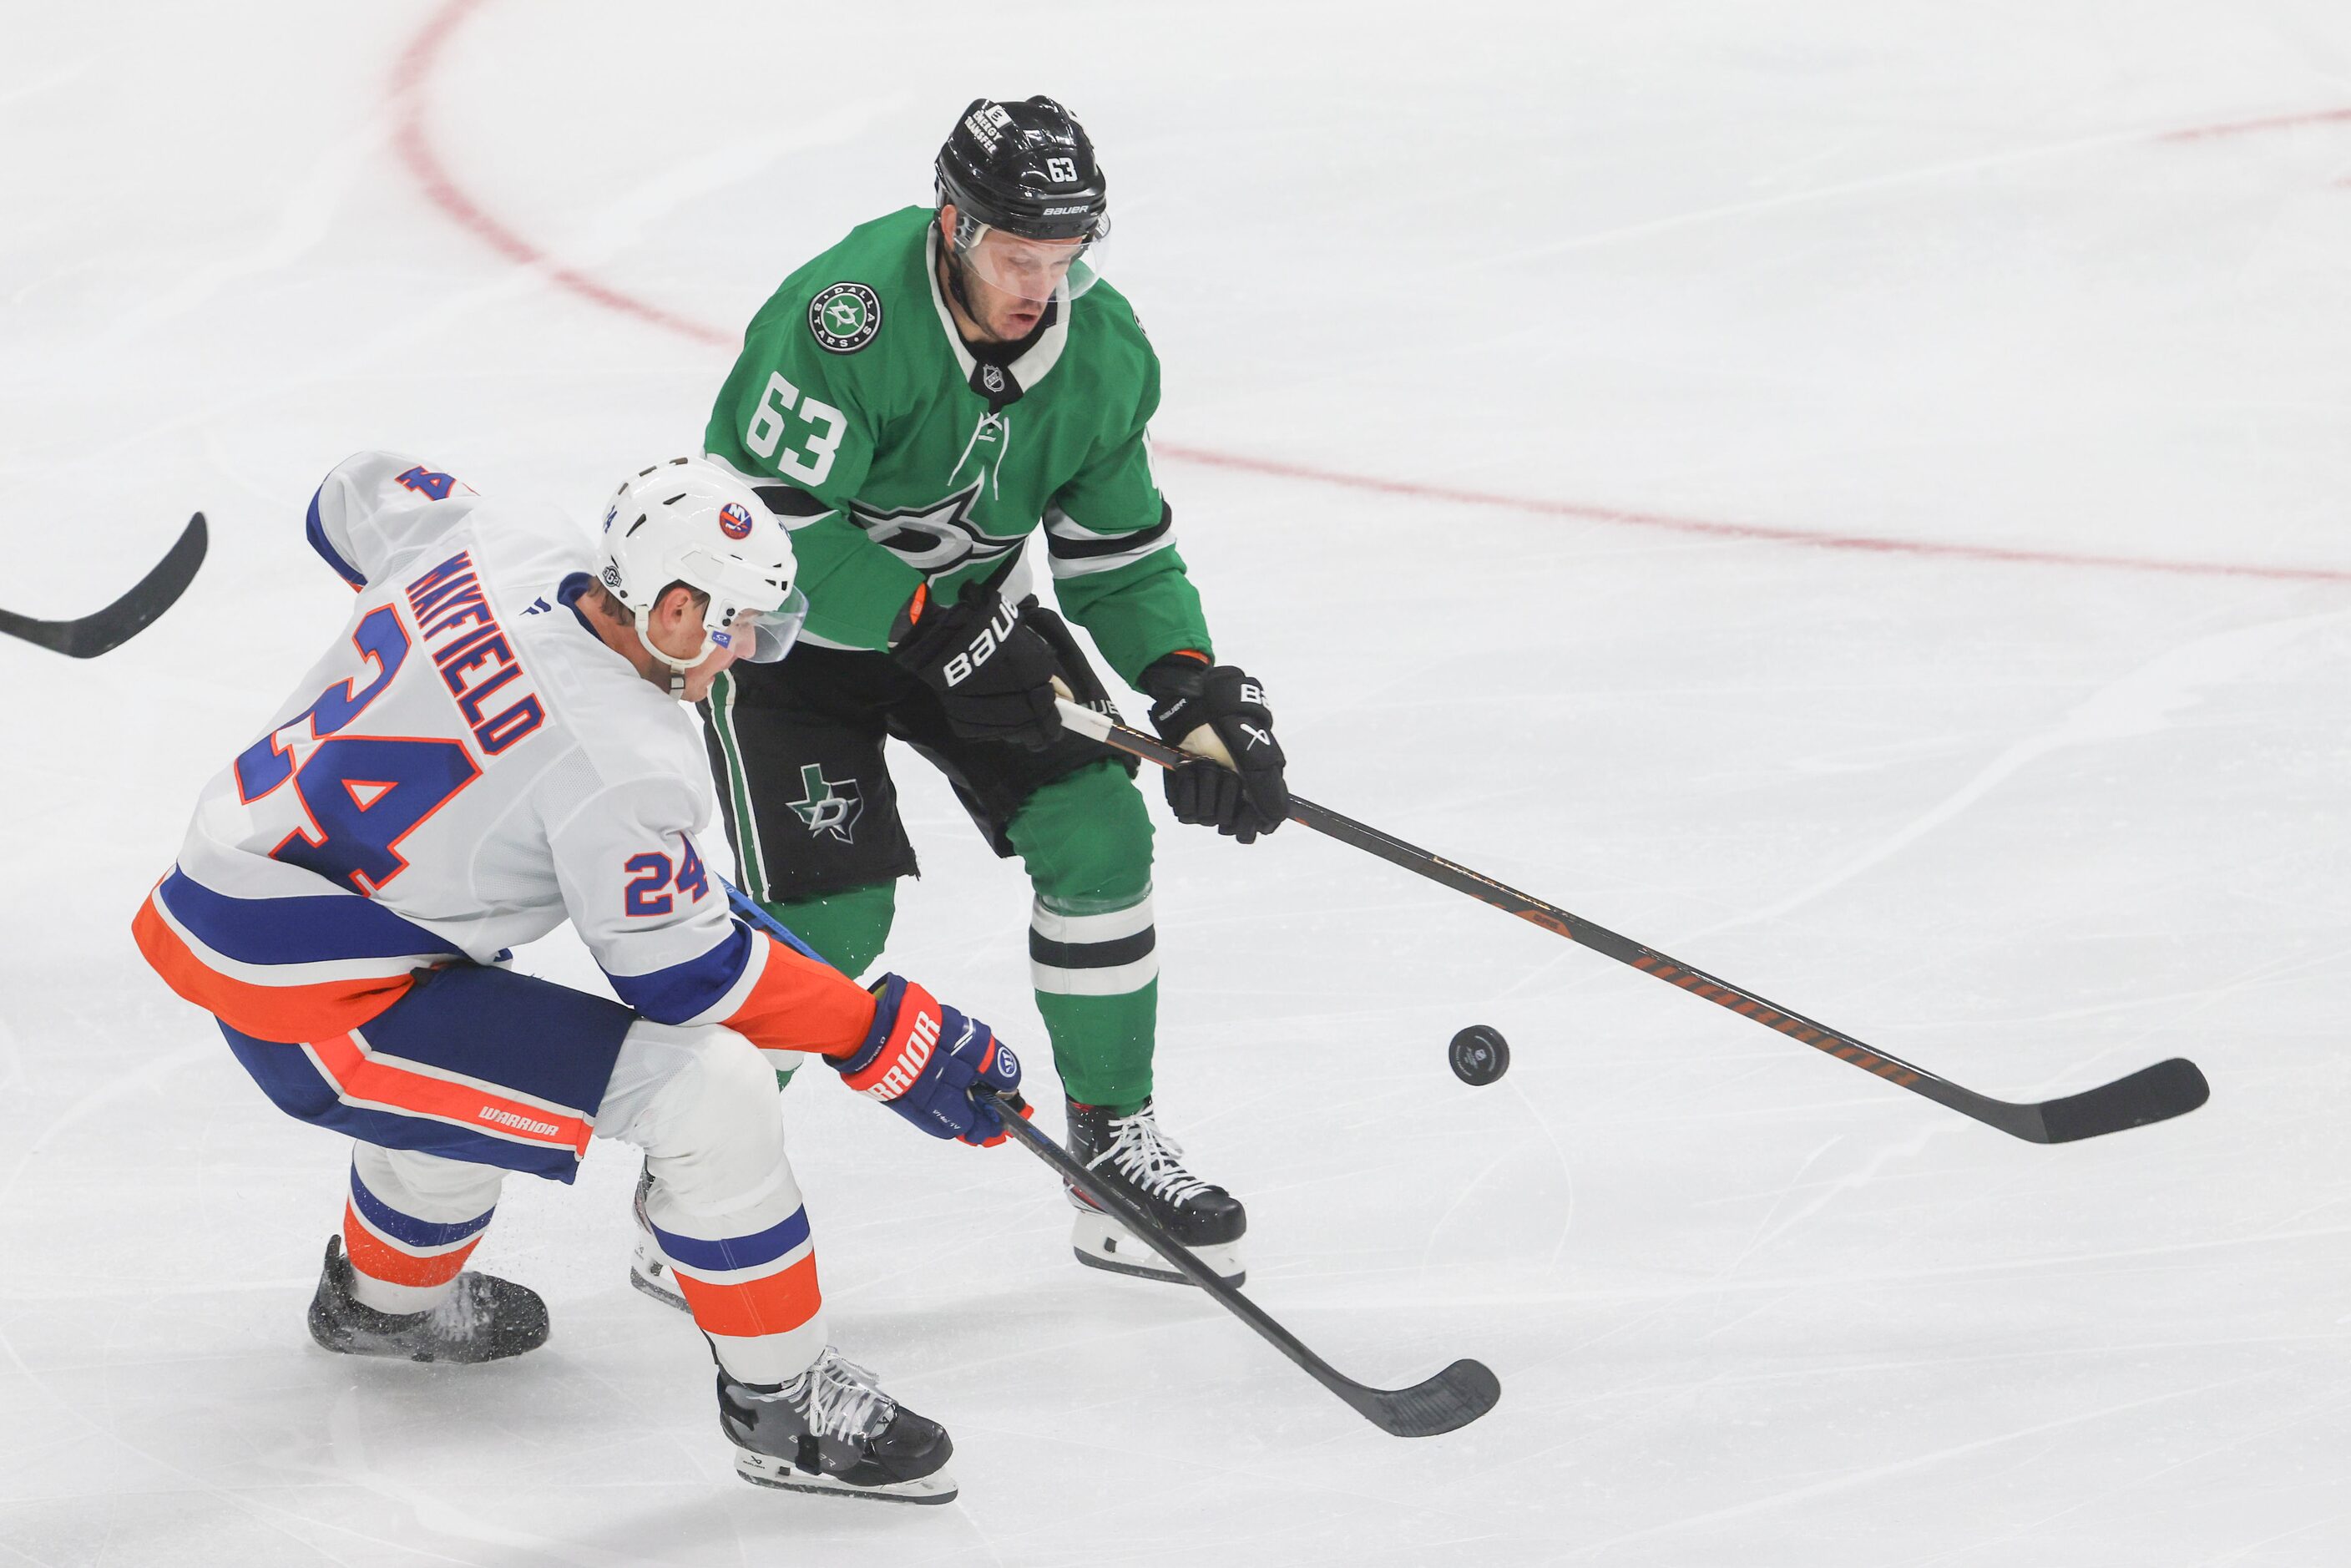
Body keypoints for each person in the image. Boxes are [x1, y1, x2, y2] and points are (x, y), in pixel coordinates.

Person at [129, 449, 1029, 1505]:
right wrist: (878, 1035)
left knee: (471, 1080)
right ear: (678, 609)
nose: (738, 654)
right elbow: (686, 976)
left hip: (240, 894)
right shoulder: (623, 751)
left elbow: (349, 495)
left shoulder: (499, 534)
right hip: (322, 997)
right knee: (713, 1094)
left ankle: (382, 1305)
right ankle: (782, 1408)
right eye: (732, 625)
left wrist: (443, 663)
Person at [667, 94, 1287, 1296]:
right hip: (792, 643)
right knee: (833, 924)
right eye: (1015, 257)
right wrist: (924, 622)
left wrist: (1189, 685)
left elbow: (1119, 557)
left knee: (1100, 830)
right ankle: (696, 1185)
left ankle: (1111, 1150)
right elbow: (762, 531)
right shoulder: (844, 320)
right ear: (952, 223)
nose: (1038, 288)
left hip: (968, 627)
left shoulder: (1103, 355)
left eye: (1062, 260)